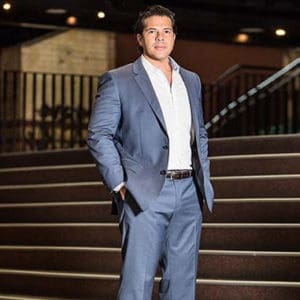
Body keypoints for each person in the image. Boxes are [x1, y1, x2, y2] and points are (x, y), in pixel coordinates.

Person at [87, 4, 214, 300]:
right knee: (137, 282)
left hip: (188, 193)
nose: (160, 37)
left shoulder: (191, 80)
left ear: (174, 37)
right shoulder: (118, 79)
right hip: (143, 192)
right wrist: (119, 185)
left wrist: (203, 178)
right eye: (152, 31)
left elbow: (200, 132)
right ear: (140, 38)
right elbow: (98, 134)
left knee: (182, 282)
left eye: (166, 31)